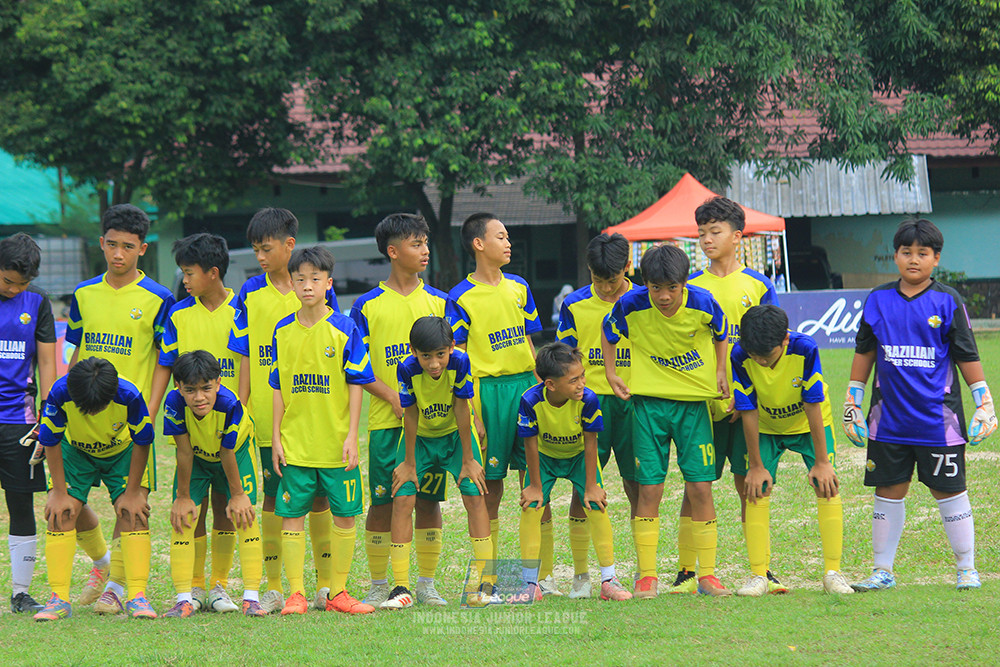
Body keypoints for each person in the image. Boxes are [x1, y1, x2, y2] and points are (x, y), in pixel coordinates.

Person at [844, 218, 996, 592]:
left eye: (922, 253)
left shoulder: (948, 301)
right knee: (888, 490)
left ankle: (966, 568)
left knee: (950, 491)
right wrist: (853, 400)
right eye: (906, 252)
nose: (913, 259)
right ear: (895, 255)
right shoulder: (877, 300)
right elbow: (865, 351)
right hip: (888, 421)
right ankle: (882, 570)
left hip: (937, 422)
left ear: (936, 258)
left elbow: (966, 355)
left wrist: (984, 402)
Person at [601, 243, 730, 598]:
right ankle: (647, 576)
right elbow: (608, 332)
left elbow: (722, 333)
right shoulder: (630, 304)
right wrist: (611, 374)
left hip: (692, 407)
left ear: (684, 283)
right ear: (645, 283)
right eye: (656, 287)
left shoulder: (704, 303)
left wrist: (720, 369)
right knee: (650, 489)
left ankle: (708, 575)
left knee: (701, 487)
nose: (664, 296)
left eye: (672, 287)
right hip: (648, 407)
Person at [65, 203, 174, 614]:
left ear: (142, 248)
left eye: (127, 247)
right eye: (111, 245)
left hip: (130, 422)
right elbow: (74, 351)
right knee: (69, 505)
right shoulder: (83, 294)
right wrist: (58, 400)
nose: (117, 255)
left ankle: (117, 587)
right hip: (83, 416)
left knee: (130, 505)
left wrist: (151, 406)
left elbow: (164, 359)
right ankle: (102, 565)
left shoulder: (159, 299)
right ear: (101, 243)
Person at [228, 208, 339, 613]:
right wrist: (241, 405)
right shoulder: (249, 293)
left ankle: (326, 586)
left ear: (289, 245)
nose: (259, 256)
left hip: (315, 419)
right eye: (255, 249)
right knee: (275, 499)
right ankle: (275, 587)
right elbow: (242, 354)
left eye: (266, 248)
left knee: (320, 500)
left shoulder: (318, 289)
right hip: (265, 420)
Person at [676, 196, 781, 594]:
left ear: (737, 236)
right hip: (703, 404)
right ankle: (688, 570)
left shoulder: (759, 285)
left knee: (750, 482)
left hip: (748, 404)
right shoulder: (691, 287)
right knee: (696, 485)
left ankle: (761, 570)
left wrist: (746, 399)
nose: (705, 239)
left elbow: (772, 345)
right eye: (700, 233)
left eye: (714, 232)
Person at [349, 214, 449, 607]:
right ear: (393, 252)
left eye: (425, 242)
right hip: (385, 424)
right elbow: (356, 367)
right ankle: (379, 582)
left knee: (428, 501)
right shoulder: (366, 305)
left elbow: (454, 362)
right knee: (382, 501)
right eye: (415, 244)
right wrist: (390, 395)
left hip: (432, 426)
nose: (424, 250)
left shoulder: (440, 302)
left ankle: (424, 582)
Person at [270, 246, 375, 615]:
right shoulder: (281, 331)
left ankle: (338, 592)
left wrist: (351, 436)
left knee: (345, 515)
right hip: (295, 444)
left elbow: (356, 382)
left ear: (328, 283)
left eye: (315, 279)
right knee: (292, 515)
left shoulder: (346, 328)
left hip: (335, 444)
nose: (307, 285)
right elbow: (278, 387)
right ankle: (296, 593)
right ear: (292, 284)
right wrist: (277, 437)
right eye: (300, 279)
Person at [732, 305, 852, 596]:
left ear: (784, 340)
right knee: (756, 489)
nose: (759, 361)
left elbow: (812, 402)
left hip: (808, 423)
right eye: (754, 356)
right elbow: (747, 409)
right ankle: (758, 575)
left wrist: (822, 462)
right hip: (766, 427)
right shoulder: (740, 355)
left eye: (766, 356)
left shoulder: (805, 349)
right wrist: (756, 466)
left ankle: (833, 573)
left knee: (827, 486)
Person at [446, 213, 541, 575]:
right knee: (493, 487)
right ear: (479, 244)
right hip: (488, 394)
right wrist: (473, 414)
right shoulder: (460, 297)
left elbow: (531, 345)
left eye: (508, 237)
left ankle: (536, 576)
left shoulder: (519, 286)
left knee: (534, 481)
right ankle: (494, 573)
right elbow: (458, 355)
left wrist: (539, 387)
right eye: (501, 237)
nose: (508, 243)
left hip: (525, 388)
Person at [381, 316, 493, 609]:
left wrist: (468, 459)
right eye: (425, 356)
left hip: (456, 437)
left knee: (475, 495)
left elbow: (461, 407)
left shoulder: (460, 362)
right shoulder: (405, 368)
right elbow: (411, 412)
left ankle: (487, 584)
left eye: (440, 355)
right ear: (413, 350)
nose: (433, 364)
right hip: (420, 440)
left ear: (452, 347)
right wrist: (408, 462)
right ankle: (401, 588)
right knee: (403, 499)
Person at [33, 358, 155, 620]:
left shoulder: (129, 394)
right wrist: (58, 491)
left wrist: (133, 492)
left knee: (133, 513)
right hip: (75, 451)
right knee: (61, 512)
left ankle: (137, 595)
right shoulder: (59, 392)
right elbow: (50, 439)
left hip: (123, 451)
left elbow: (142, 440)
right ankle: (58, 599)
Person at [160, 233, 243, 612]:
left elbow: (249, 364)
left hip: (231, 425)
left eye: (189, 273)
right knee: (194, 507)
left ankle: (219, 586)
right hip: (191, 430)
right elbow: (167, 367)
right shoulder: (178, 314)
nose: (184, 280)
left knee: (226, 502)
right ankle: (192, 586)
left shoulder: (241, 311)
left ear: (213, 273)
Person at [556, 233, 639, 598]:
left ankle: (643, 570)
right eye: (598, 280)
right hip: (588, 404)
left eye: (613, 280)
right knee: (584, 485)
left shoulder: (644, 299)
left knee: (639, 484)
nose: (606, 289)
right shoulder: (574, 304)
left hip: (635, 402)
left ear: (628, 267)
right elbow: (564, 355)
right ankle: (581, 575)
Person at [517, 342, 632, 603]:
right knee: (531, 506)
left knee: (596, 504)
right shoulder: (529, 401)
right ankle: (529, 583)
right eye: (573, 380)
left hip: (579, 457)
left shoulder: (589, 399)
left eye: (582, 376)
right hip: (545, 458)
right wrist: (535, 485)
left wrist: (591, 485)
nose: (581, 384)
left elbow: (592, 442)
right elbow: (530, 444)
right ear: (550, 385)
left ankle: (608, 579)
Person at [163, 351, 264, 617]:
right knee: (184, 516)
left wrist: (238, 494)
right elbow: (183, 452)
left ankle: (243, 595)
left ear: (218, 383)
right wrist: (182, 496)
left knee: (241, 514)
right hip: (196, 456)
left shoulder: (230, 404)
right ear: (178, 387)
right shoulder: (173, 403)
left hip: (235, 456)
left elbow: (227, 452)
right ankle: (187, 595)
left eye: (206, 388)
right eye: (190, 390)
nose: (199, 397)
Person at [0, 233, 57, 613]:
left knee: (21, 504)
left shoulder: (37, 303)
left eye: (20, 283)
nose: (13, 289)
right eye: (6, 281)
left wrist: (48, 420)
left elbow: (49, 365)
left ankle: (21, 593)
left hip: (18, 425)